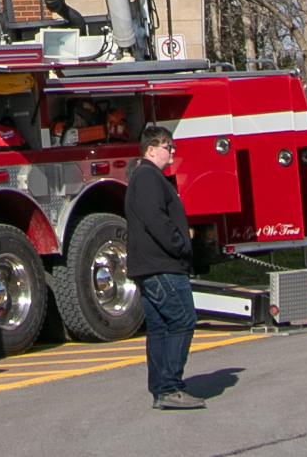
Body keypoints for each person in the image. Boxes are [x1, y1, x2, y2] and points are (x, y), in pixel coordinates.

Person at [126, 123, 200, 409]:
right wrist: (181, 245)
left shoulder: (148, 178)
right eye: (167, 146)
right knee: (183, 321)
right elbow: (156, 220)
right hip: (162, 266)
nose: (172, 151)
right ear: (151, 149)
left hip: (152, 265)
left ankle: (161, 389)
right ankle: (169, 387)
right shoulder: (148, 178)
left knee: (160, 327)